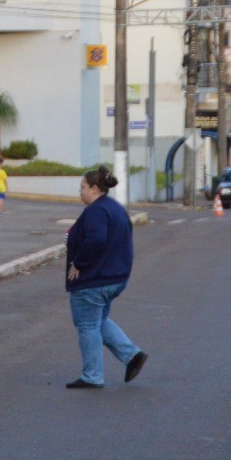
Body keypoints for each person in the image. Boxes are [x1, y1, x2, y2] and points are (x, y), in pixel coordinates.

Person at [63, 166, 146, 390]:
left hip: (94, 281)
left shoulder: (96, 211)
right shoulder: (114, 208)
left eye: (82, 187)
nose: (79, 191)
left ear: (95, 188)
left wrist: (78, 263)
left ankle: (92, 376)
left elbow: (96, 240)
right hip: (115, 279)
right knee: (97, 321)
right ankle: (132, 355)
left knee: (87, 325)